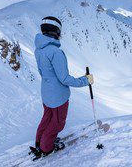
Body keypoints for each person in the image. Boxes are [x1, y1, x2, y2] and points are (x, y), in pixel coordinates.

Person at [33, 16, 94, 158]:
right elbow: (65, 79)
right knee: (58, 123)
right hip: (58, 96)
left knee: (47, 117)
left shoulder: (39, 49)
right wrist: (86, 80)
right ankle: (46, 147)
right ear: (55, 31)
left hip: (46, 91)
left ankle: (39, 141)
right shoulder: (55, 52)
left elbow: (43, 72)